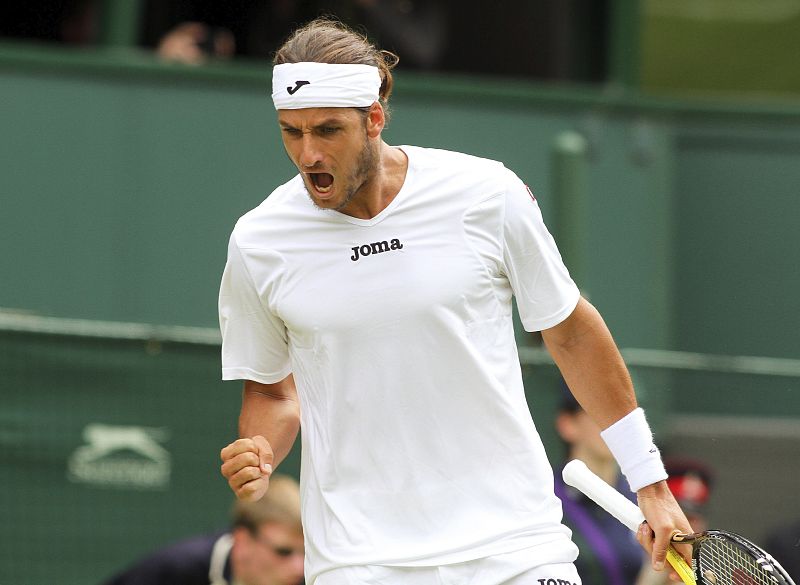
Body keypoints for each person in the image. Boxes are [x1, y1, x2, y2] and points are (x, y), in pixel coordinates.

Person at [217, 17, 691, 585]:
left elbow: (571, 332)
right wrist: (260, 452)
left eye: (327, 130)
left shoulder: (486, 194)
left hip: (515, 546)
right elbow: (272, 391)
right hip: (362, 561)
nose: (308, 154)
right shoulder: (259, 240)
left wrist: (651, 484)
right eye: (291, 132)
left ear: (373, 119)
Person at [101, 474, 304, 585]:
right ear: (242, 541)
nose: (300, 568)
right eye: (284, 552)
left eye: (306, 553)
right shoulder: (176, 570)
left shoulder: (314, 577)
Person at [554, 381, 646, 585]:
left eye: (624, 417)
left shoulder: (645, 499)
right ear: (567, 424)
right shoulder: (542, 498)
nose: (615, 426)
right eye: (601, 414)